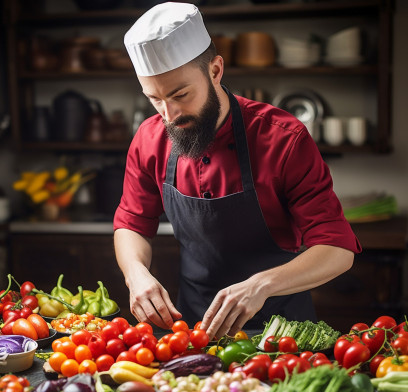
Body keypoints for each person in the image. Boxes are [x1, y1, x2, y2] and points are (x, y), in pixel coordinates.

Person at [113, 2, 361, 340]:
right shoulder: (150, 137)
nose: (169, 115)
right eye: (155, 99)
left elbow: (337, 249)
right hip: (193, 325)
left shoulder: (283, 138)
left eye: (180, 94)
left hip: (281, 329)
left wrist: (261, 284)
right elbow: (131, 224)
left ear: (215, 70)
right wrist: (136, 274)